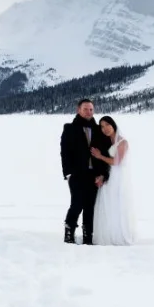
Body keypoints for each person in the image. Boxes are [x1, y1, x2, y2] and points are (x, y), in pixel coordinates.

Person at [59, 98, 105, 244]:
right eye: (85, 109)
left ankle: (88, 236)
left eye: (91, 109)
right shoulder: (69, 128)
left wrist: (102, 174)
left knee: (90, 206)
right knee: (77, 204)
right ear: (78, 110)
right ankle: (69, 232)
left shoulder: (98, 129)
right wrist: (68, 173)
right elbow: (64, 152)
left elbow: (104, 153)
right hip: (77, 174)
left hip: (94, 174)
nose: (88, 112)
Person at [91, 115, 136, 246]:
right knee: (107, 204)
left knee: (117, 204)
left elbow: (117, 161)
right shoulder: (105, 141)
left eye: (107, 125)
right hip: (107, 175)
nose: (105, 129)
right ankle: (107, 234)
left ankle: (118, 234)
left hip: (118, 177)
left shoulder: (122, 142)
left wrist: (100, 156)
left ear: (113, 124)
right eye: (102, 126)